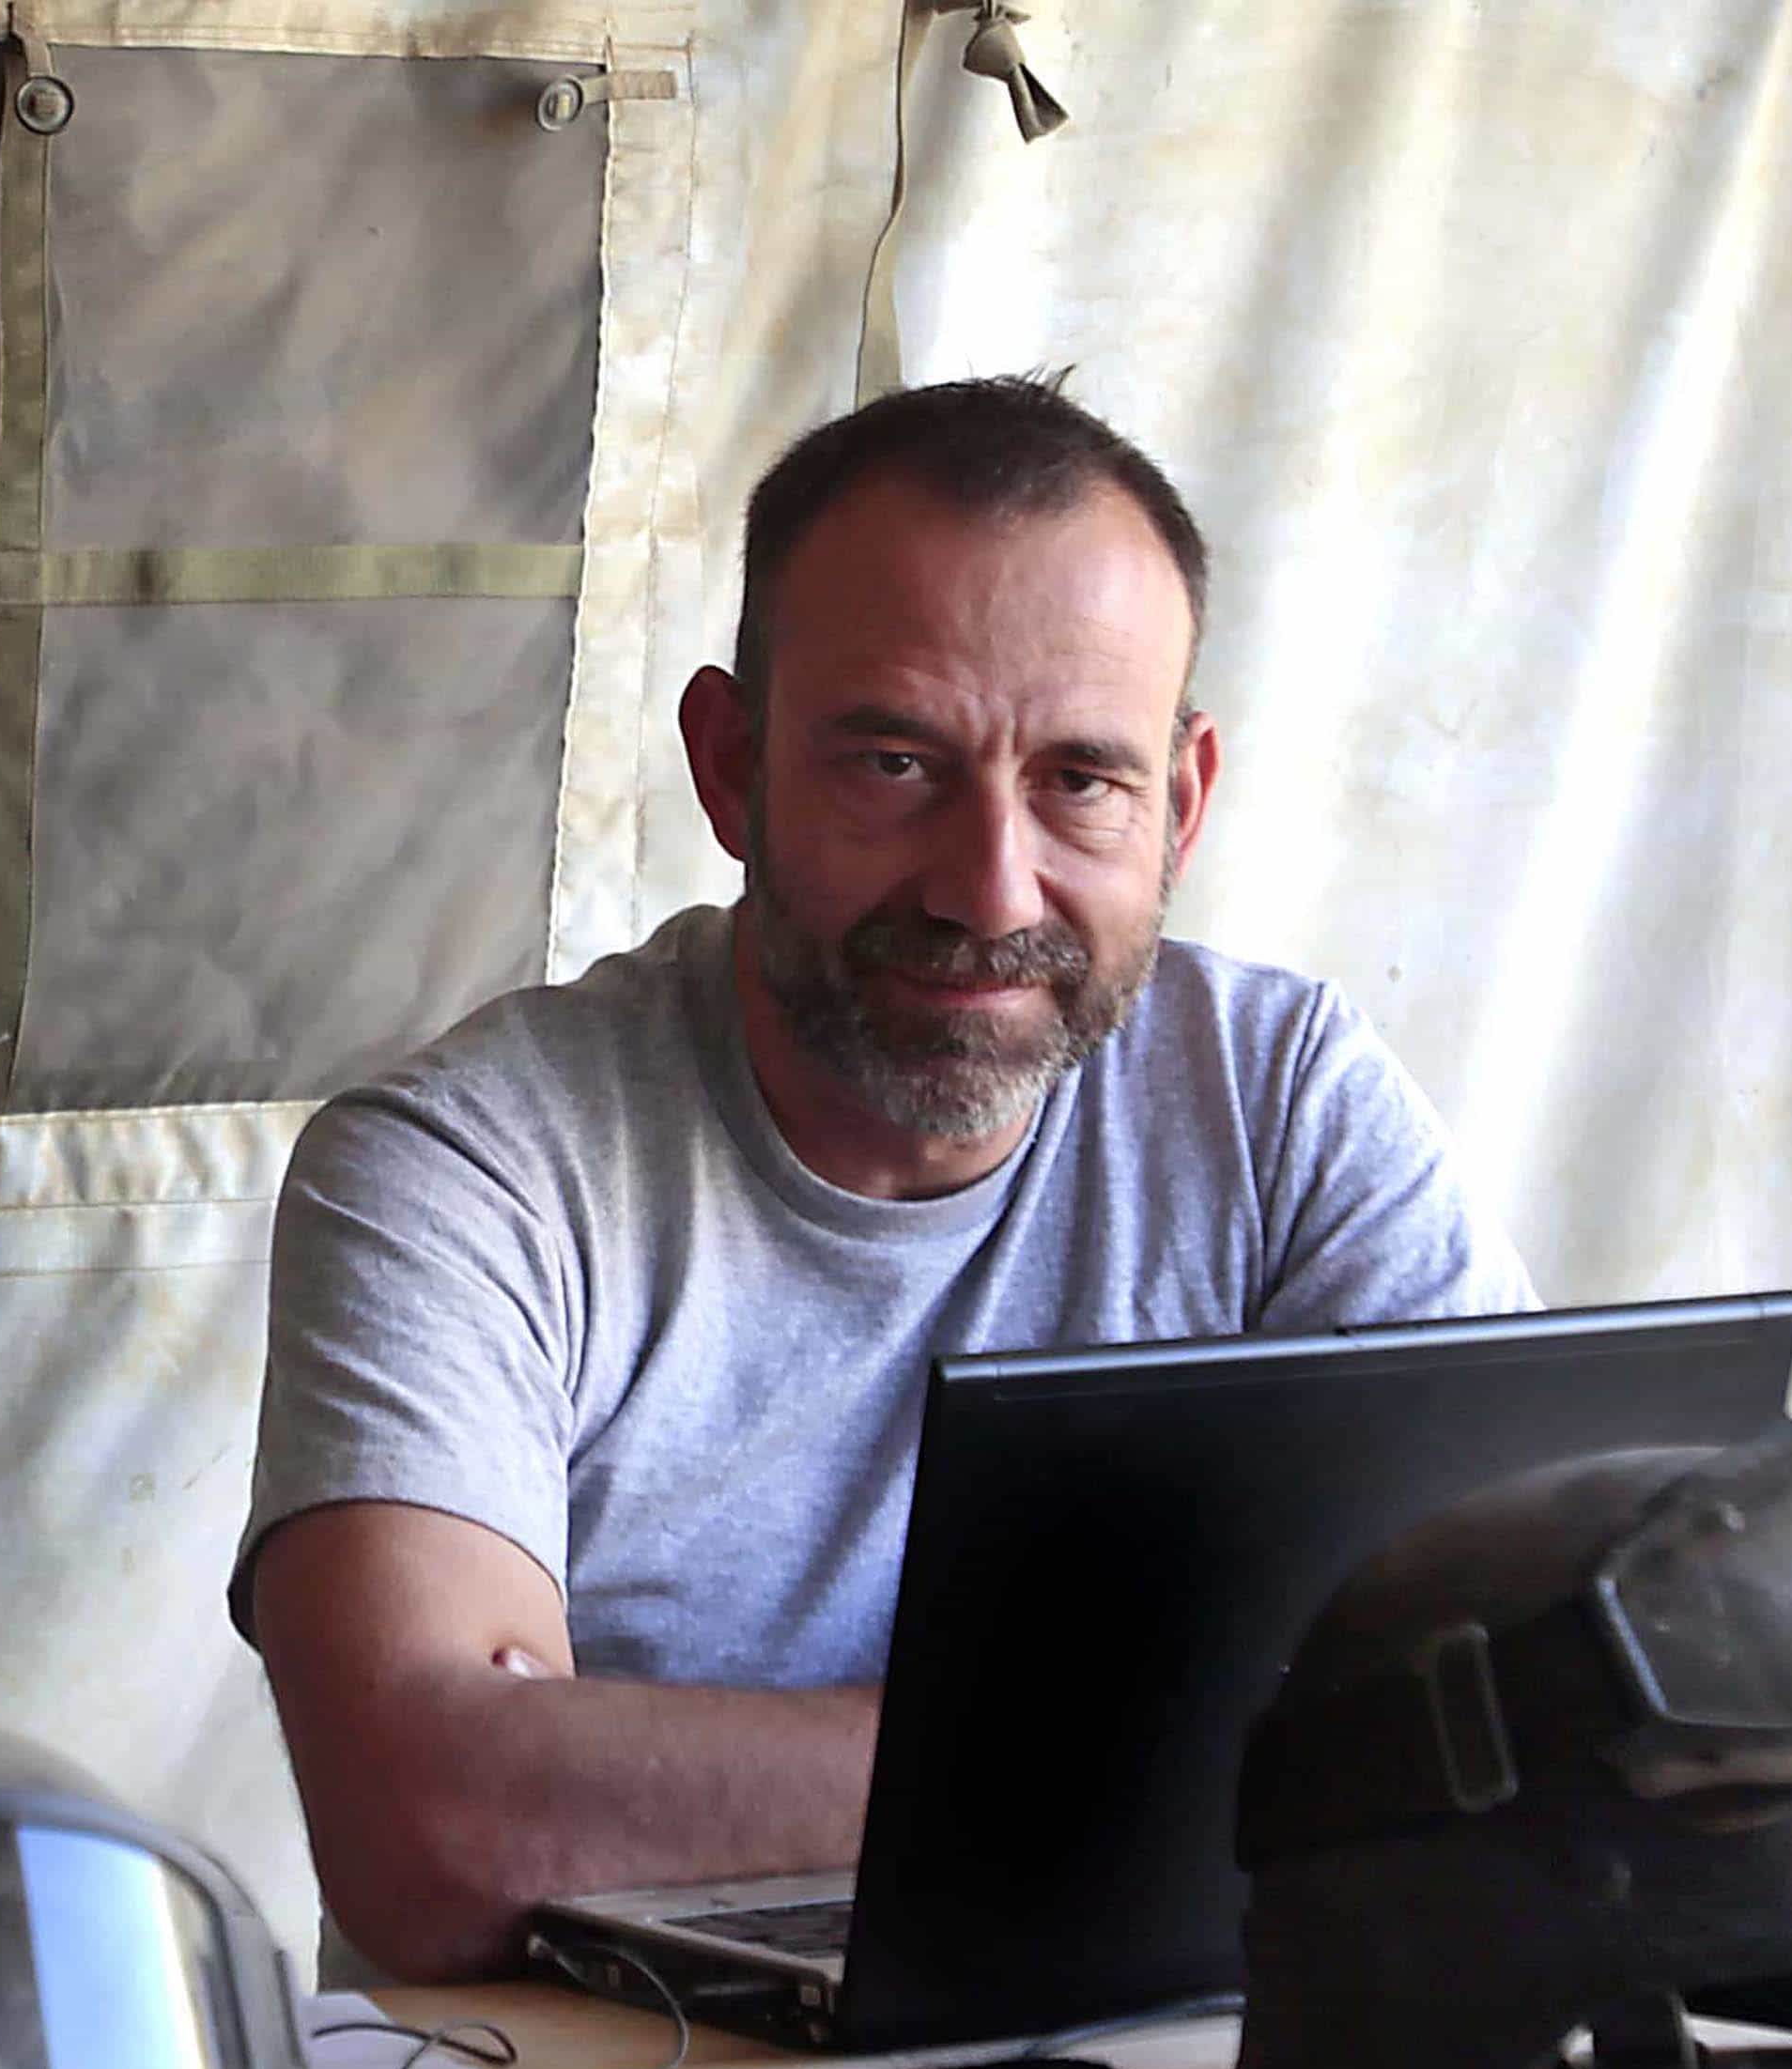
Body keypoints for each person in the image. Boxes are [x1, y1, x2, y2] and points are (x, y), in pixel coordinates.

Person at [235, 376, 1533, 1982]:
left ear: (1180, 804)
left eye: (1080, 779)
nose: (991, 889)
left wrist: (670, 1771)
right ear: (729, 766)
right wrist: (1225, 1739)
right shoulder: (464, 1175)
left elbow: (1512, 1701)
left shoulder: (1282, 1106)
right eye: (895, 765)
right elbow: (433, 1833)